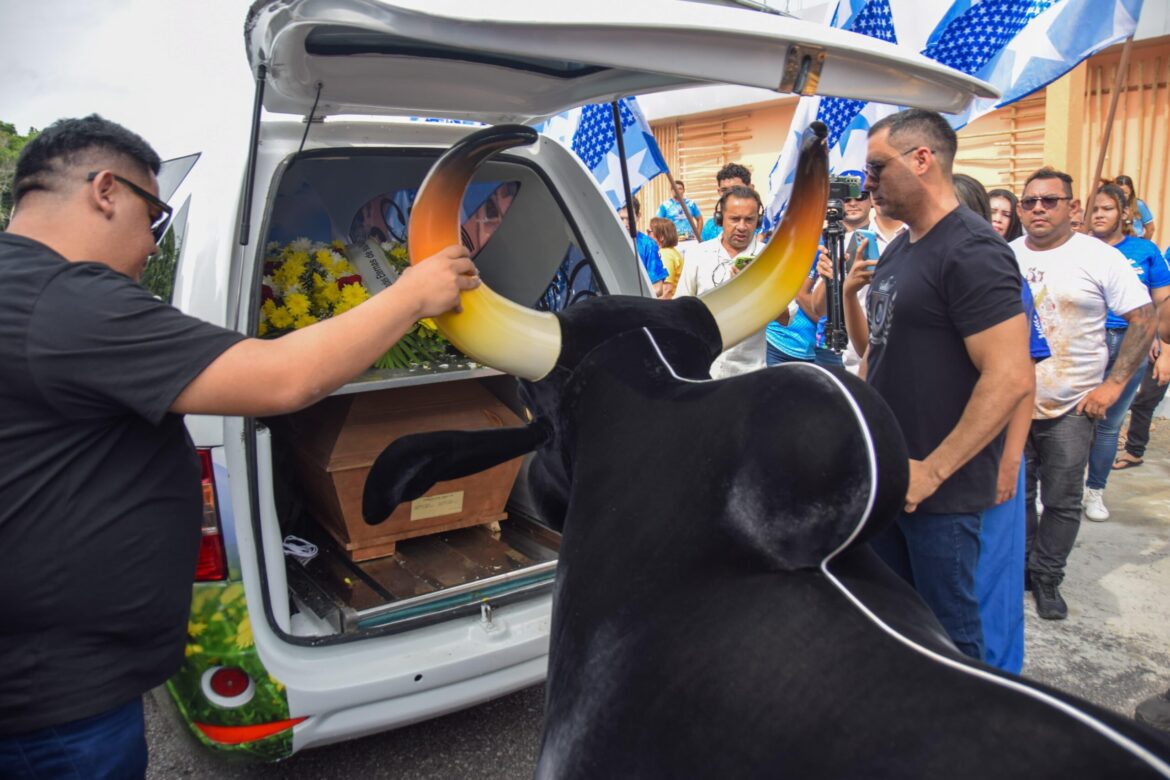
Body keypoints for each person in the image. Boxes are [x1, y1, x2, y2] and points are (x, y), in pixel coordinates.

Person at [0, 115, 477, 776]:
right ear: (106, 191)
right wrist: (413, 292)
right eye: (154, 216)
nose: (150, 244)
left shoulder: (20, 288)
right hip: (56, 703)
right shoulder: (67, 300)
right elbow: (282, 380)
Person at [860, 109, 1034, 661]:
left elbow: (1010, 376)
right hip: (892, 480)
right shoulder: (899, 249)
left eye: (877, 167)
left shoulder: (972, 251)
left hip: (939, 494)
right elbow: (881, 354)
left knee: (951, 644)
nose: (868, 182)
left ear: (921, 159)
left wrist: (930, 473)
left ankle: (969, 744)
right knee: (896, 628)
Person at [1012, 168, 1155, 621]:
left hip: (1072, 405)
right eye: (1029, 201)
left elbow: (1145, 318)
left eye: (1049, 201)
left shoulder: (1099, 257)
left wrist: (1113, 385)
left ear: (1072, 208)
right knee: (1017, 496)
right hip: (1012, 404)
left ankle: (1049, 576)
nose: (1038, 208)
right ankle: (1024, 570)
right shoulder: (1004, 254)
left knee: (1062, 499)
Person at [953, 173, 1051, 674]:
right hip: (946, 457)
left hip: (990, 462)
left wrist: (1011, 462)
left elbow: (1021, 382)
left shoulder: (996, 277)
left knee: (992, 582)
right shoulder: (919, 267)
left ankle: (998, 680)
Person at [1081, 184, 1170, 521]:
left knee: (1107, 425)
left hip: (1131, 343)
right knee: (1073, 422)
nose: (1100, 215)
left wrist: (1165, 350)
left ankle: (1095, 492)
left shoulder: (1144, 250)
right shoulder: (1078, 249)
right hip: (1087, 341)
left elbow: (1163, 303)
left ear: (1124, 214)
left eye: (1107, 208)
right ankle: (1061, 487)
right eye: (1095, 209)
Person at [674, 185, 766, 378]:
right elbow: (680, 309)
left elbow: (786, 315)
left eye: (749, 220)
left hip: (749, 374)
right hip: (703, 373)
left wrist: (755, 290)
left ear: (758, 221)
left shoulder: (769, 256)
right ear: (720, 219)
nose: (742, 226)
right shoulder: (698, 254)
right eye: (734, 219)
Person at [618, 198, 668, 297]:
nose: (625, 223)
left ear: (638, 216)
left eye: (629, 218)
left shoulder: (648, 245)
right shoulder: (610, 241)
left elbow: (658, 288)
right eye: (621, 219)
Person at [698, 163, 752, 242]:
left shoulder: (764, 229)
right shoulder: (710, 227)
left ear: (750, 189)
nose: (729, 195)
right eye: (724, 190)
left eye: (736, 189)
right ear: (719, 192)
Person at [649, 216, 684, 299]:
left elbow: (666, 290)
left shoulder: (665, 255)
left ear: (661, 237)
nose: (646, 235)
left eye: (649, 232)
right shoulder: (672, 252)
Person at [1115, 174, 1156, 242]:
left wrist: (1143, 245)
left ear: (1131, 191)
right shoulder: (1109, 207)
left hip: (1135, 242)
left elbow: (1150, 229)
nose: (1121, 196)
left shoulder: (1139, 205)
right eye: (1119, 193)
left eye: (1125, 193)